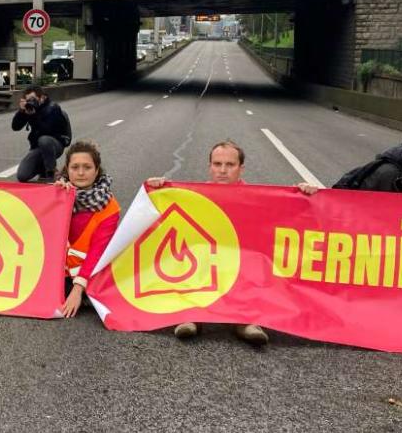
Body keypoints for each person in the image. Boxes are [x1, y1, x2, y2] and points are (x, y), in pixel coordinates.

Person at [146, 140, 269, 346]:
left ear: (241, 169)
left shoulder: (258, 198)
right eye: (217, 164)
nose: (222, 170)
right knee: (186, 255)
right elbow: (158, 222)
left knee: (254, 260)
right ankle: (192, 315)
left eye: (230, 165)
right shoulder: (195, 196)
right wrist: (155, 190)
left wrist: (304, 195)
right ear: (209, 167)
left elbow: (286, 219)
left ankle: (245, 321)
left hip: (239, 262)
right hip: (204, 263)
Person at [54, 141, 120, 318]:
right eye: (75, 167)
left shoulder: (109, 206)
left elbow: (97, 252)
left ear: (97, 170)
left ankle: (82, 294)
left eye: (87, 167)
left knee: (111, 300)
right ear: (67, 169)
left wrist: (77, 290)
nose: (81, 173)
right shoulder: (56, 194)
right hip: (58, 272)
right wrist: (54, 198)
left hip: (90, 274)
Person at [11, 86, 71, 183]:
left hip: (55, 144)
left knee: (44, 140)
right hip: (37, 147)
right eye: (28, 100)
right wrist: (21, 112)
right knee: (22, 175)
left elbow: (48, 130)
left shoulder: (53, 108)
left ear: (42, 98)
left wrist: (34, 116)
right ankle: (42, 169)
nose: (30, 102)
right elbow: (15, 127)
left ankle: (51, 172)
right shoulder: (30, 109)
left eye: (33, 99)